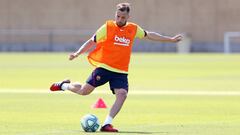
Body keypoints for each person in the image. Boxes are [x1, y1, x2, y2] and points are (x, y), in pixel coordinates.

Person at [50, 3, 182, 132]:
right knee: (84, 91)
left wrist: (170, 39)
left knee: (122, 94)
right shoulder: (107, 27)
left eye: (123, 17)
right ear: (115, 14)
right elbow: (91, 41)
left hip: (121, 71)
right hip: (104, 68)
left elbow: (149, 35)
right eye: (118, 16)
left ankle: (107, 124)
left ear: (128, 17)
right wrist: (77, 53)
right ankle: (63, 85)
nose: (119, 19)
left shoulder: (133, 29)